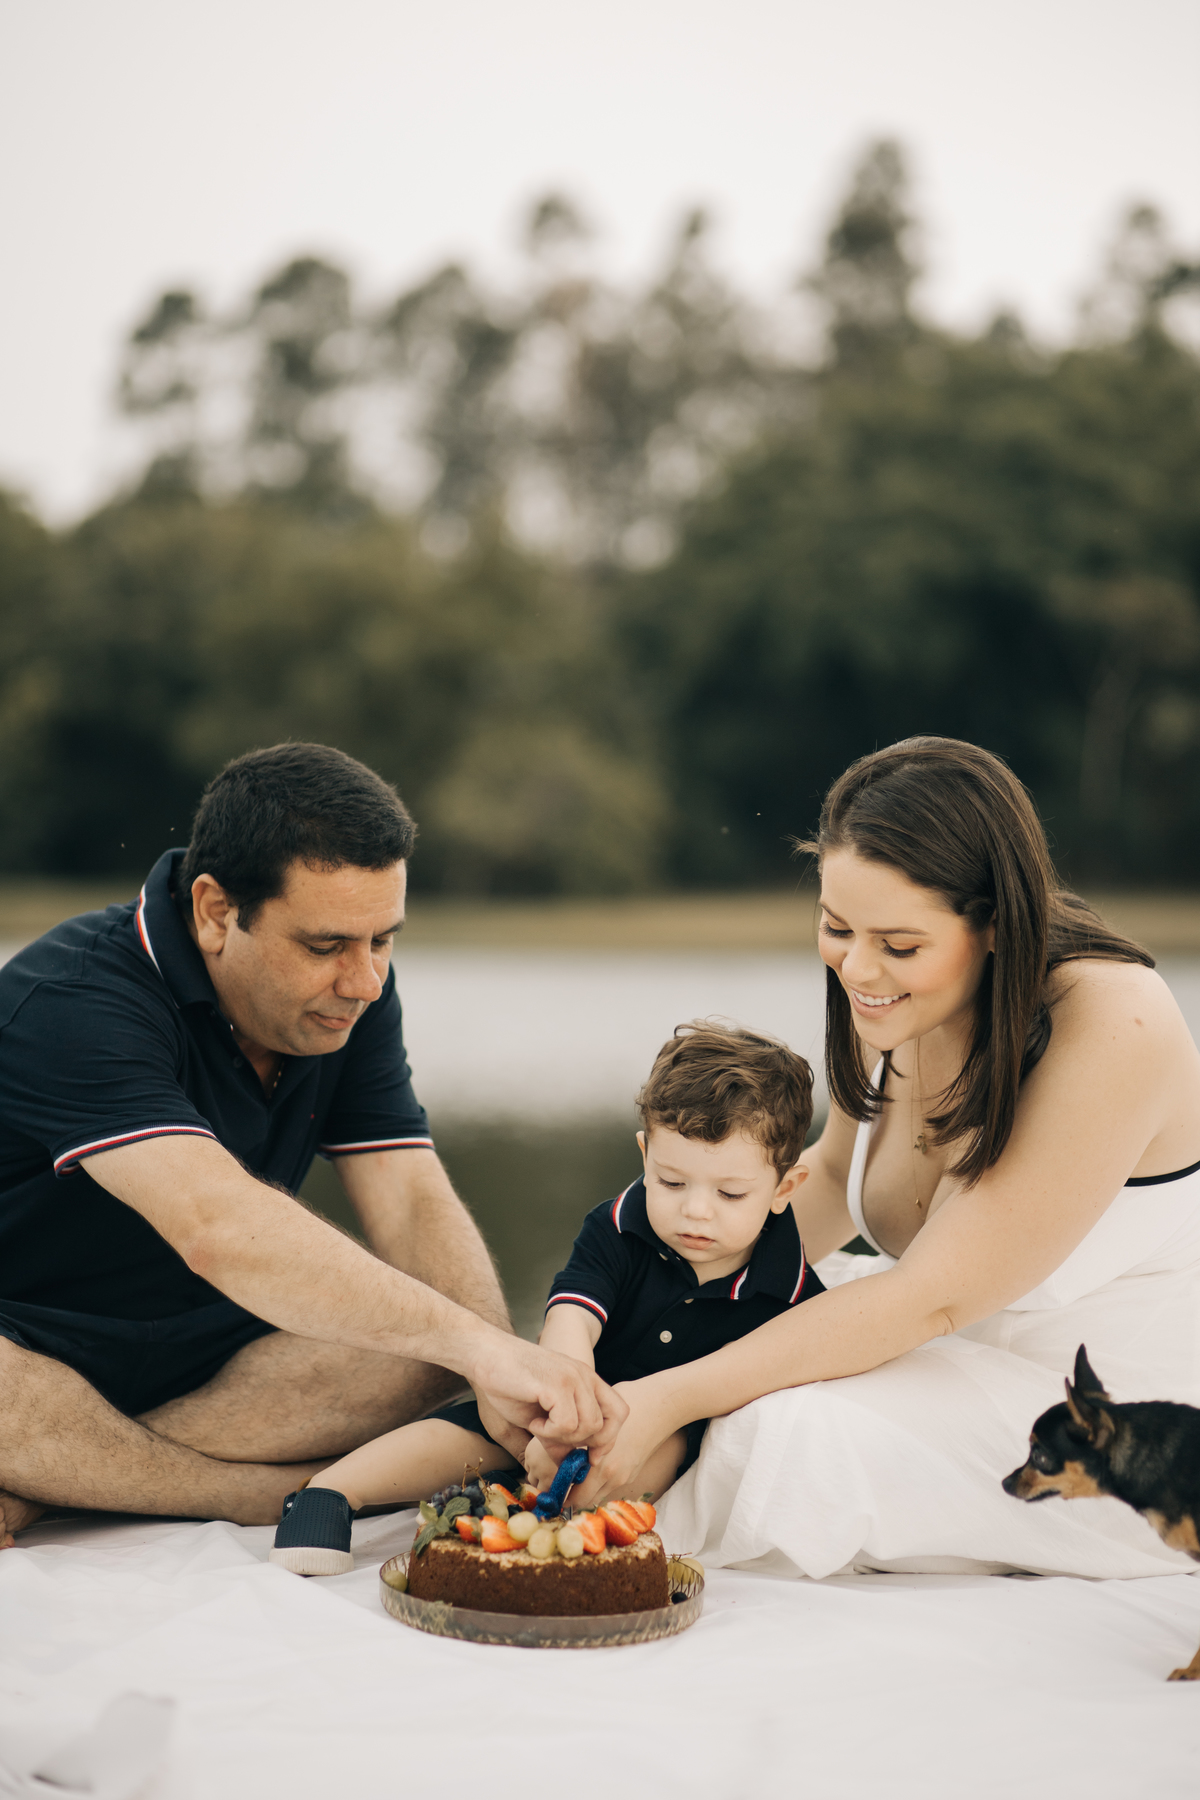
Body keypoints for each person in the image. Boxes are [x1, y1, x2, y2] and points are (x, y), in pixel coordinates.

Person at [595, 738, 1200, 1579]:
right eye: (836, 927)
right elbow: (827, 1181)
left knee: (777, 1429)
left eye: (899, 944)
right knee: (665, 1349)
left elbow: (928, 1297)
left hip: (1103, 1440)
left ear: (995, 924)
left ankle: (592, 1541)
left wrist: (666, 1395)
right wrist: (639, 1307)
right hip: (940, 1364)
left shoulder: (1114, 1017)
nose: (858, 967)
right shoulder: (890, 1001)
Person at [0, 743, 622, 1548]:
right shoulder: (74, 999)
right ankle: (249, 1494)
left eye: (384, 940)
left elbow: (408, 1195)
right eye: (326, 947)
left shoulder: (348, 995)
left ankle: (57, 1480)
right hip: (25, 1336)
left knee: (439, 1340)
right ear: (216, 911)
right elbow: (218, 1226)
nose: (364, 981)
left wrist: (496, 1375)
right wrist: (479, 1351)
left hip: (211, 1358)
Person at [269, 1021, 823, 1574]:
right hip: (564, 1400)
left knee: (648, 1463)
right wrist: (566, 1409)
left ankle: (544, 1520)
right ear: (645, 1154)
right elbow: (572, 1317)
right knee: (476, 1429)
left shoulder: (792, 1288)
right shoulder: (619, 1227)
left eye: (730, 1193)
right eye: (672, 1182)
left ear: (784, 1188)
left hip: (666, 1430)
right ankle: (330, 1493)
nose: (696, 1210)